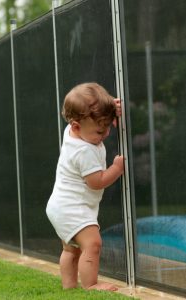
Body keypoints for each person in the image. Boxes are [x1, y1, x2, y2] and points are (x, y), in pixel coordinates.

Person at [46, 82, 124, 291]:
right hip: (72, 207)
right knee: (93, 244)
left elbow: (89, 111)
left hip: (60, 206)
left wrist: (110, 109)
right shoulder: (83, 151)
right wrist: (116, 169)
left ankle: (69, 287)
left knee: (71, 250)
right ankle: (91, 284)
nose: (105, 133)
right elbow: (96, 181)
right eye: (100, 131)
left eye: (107, 126)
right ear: (77, 126)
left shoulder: (72, 130)